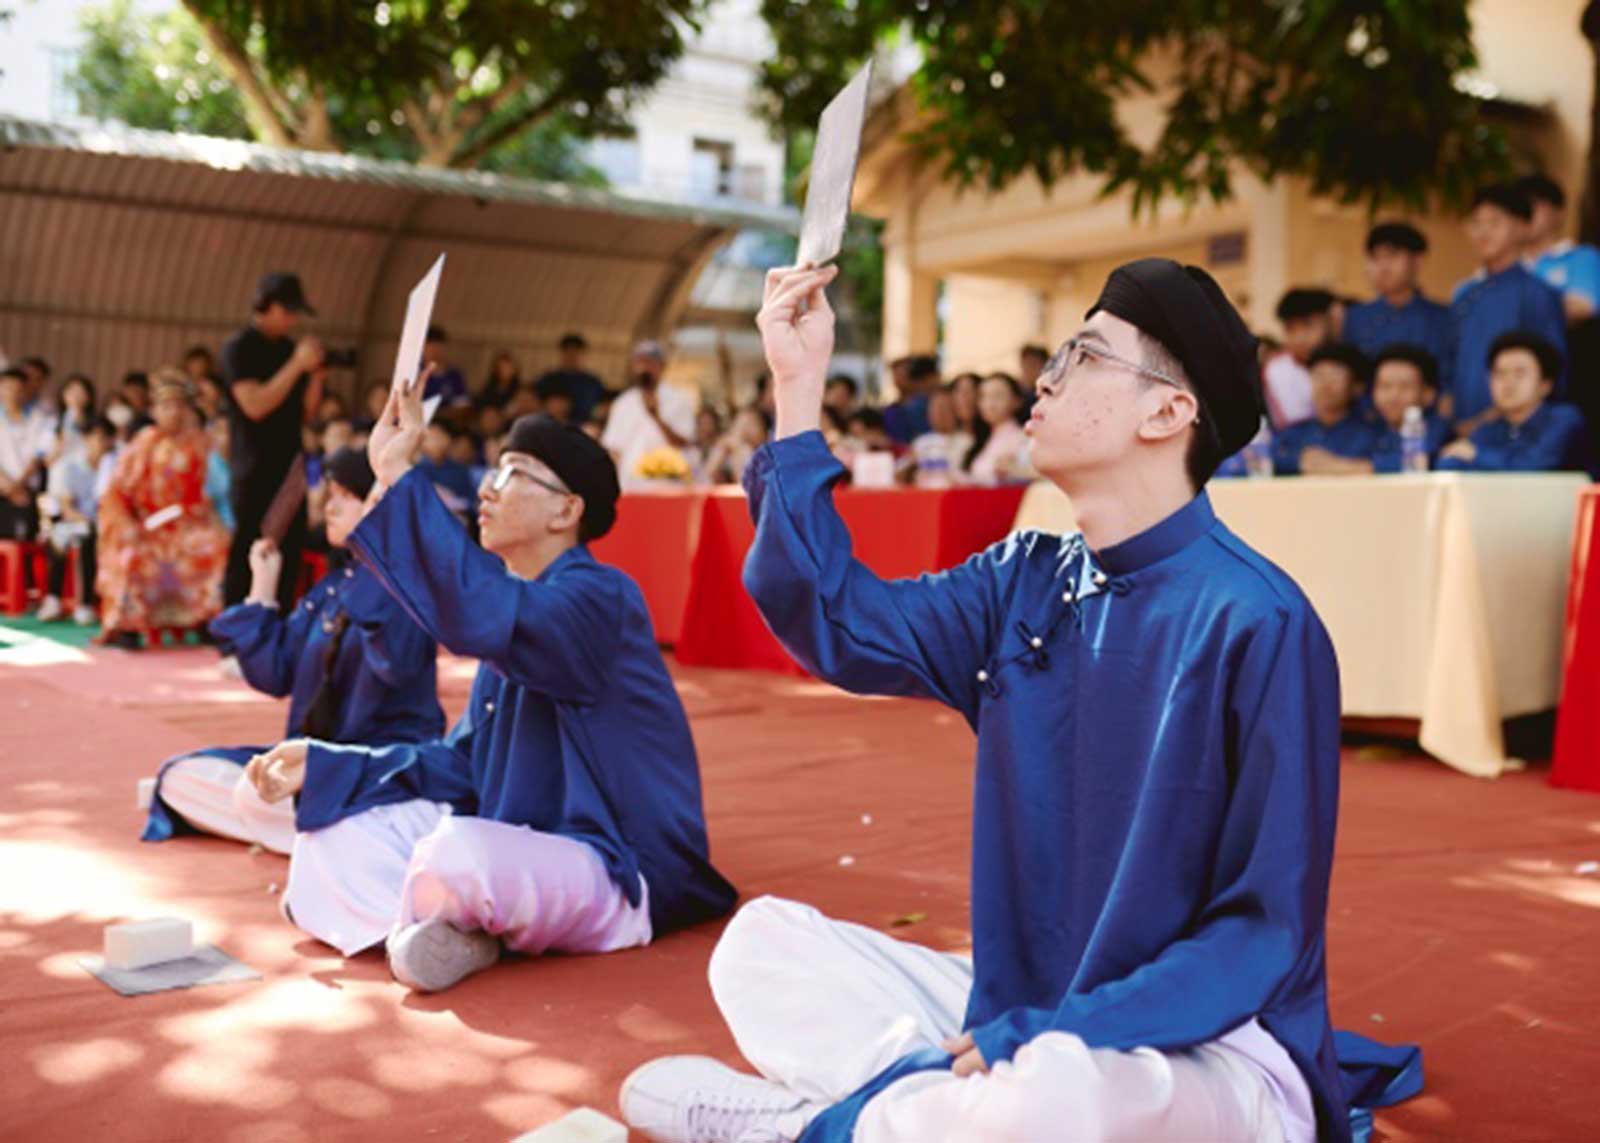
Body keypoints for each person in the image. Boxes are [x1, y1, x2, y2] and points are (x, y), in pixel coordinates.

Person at [622, 258, 1420, 1143]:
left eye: (1082, 356)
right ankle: (931, 1108)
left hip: (1209, 1049)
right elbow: (835, 618)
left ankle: (828, 1124)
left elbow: (1259, 934)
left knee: (1063, 1095)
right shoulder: (1021, 579)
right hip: (1027, 1009)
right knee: (760, 945)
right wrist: (797, 385)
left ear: (1167, 412)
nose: (1044, 377)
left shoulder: (1260, 619)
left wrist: (1060, 1034)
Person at [241, 396, 736, 991]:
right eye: (492, 471)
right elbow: (462, 764)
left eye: (511, 474)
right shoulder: (516, 602)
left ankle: (395, 916)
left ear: (566, 510)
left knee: (459, 853)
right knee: (330, 828)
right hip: (517, 847)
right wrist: (331, 763)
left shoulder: (601, 597)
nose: (486, 490)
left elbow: (476, 609)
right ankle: (436, 933)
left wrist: (397, 474)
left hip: (614, 865)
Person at [143, 448, 444, 855]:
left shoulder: (408, 587)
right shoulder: (333, 587)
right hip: (309, 765)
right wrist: (262, 587)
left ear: (380, 507)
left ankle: (318, 831)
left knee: (258, 797)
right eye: (330, 495)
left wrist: (378, 566)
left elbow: (397, 664)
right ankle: (322, 834)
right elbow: (276, 673)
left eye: (346, 497)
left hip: (380, 765)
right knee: (182, 777)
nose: (329, 506)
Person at [96, 371, 230, 648]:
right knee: (132, 552)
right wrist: (126, 524)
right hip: (146, 526)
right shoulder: (143, 443)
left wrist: (210, 518)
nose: (174, 412)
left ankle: (205, 620)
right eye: (166, 406)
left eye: (179, 405)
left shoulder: (201, 444)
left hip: (188, 525)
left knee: (215, 546)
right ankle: (128, 626)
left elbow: (213, 491)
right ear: (154, 410)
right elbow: (115, 493)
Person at [220, 272, 326, 611]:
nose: (292, 320)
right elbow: (255, 405)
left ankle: (279, 625)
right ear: (269, 306)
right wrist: (296, 365)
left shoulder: (290, 350)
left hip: (291, 465)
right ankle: (236, 627)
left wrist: (316, 376)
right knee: (249, 548)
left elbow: (307, 413)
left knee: (289, 550)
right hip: (253, 467)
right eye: (288, 311)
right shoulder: (239, 349)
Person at [1448, 183, 1566, 434]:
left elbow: (1551, 371)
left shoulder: (1537, 294)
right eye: (1476, 223)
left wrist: (1491, 418)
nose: (1483, 232)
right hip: (1457, 430)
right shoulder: (1465, 296)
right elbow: (1449, 362)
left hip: (1514, 434)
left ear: (1522, 228)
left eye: (1494, 222)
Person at [1438, 332, 1592, 473]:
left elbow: (1534, 467)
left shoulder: (1564, 420)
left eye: (1519, 374)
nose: (1508, 383)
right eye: (1500, 374)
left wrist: (1476, 455)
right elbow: (1451, 461)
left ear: (1545, 385)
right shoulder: (1490, 428)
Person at [1297, 344, 1452, 476]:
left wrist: (1343, 468)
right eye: (1385, 386)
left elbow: (1417, 463)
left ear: (1428, 394)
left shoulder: (1438, 430)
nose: (1393, 396)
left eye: (1405, 387)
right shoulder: (1371, 431)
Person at [1342, 223, 1452, 385]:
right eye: (1375, 258)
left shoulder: (1443, 319)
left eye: (1391, 256)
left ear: (1417, 261)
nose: (1382, 267)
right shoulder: (1355, 319)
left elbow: (1448, 377)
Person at [35, 416, 115, 625]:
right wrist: (89, 522)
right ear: (86, 439)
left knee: (92, 537)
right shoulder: (68, 466)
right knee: (73, 537)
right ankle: (53, 599)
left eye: (104, 438)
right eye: (95, 437)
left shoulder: (113, 466)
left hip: (105, 525)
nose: (99, 443)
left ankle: (87, 603)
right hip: (69, 523)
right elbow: (66, 507)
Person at [1272, 343, 1380, 475]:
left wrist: (1339, 467)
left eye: (1335, 376)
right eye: (1318, 375)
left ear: (1356, 387)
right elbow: (1266, 460)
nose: (1325, 385)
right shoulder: (1294, 433)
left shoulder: (1373, 434)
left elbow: (1393, 463)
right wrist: (1300, 461)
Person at [601, 339, 696, 487]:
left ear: (662, 366)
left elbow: (684, 442)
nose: (644, 368)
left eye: (650, 363)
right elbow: (614, 448)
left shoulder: (679, 400)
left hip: (667, 485)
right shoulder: (623, 403)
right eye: (640, 363)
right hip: (630, 485)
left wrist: (656, 417)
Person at [1262, 288, 1335, 429]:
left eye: (1307, 325)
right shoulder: (1278, 371)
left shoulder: (1348, 360)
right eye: (1290, 329)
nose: (1299, 338)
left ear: (1330, 321)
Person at [0, 366, 51, 542]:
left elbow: (39, 456)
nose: (12, 394)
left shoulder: (41, 420)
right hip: (3, 489)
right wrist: (8, 486)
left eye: (17, 389)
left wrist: (19, 485)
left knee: (22, 542)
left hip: (26, 493)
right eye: (7, 388)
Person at [961, 373, 1031, 484]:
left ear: (1016, 401)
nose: (990, 403)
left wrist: (1014, 470)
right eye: (984, 396)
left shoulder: (1024, 438)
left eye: (998, 396)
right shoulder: (982, 439)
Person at [535, 333, 608, 424]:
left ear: (584, 355)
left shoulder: (593, 382)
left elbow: (601, 408)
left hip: (584, 426)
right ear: (562, 354)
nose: (571, 357)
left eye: (576, 353)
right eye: (568, 353)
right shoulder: (548, 379)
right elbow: (537, 404)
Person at [908, 387, 973, 488]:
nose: (939, 413)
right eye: (934, 407)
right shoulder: (919, 443)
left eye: (944, 407)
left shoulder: (968, 441)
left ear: (955, 409)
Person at [703, 406, 769, 485]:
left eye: (751, 424)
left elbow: (746, 484)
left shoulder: (768, 452)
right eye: (741, 424)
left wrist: (738, 445)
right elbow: (706, 476)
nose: (747, 429)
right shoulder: (731, 445)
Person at [883, 355, 939, 445]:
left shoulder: (924, 403)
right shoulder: (893, 410)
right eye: (896, 375)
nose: (899, 379)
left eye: (904, 374)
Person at [421, 326, 470, 410]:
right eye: (430, 348)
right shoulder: (414, 373)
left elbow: (462, 406)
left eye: (439, 347)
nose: (435, 352)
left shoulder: (454, 375)